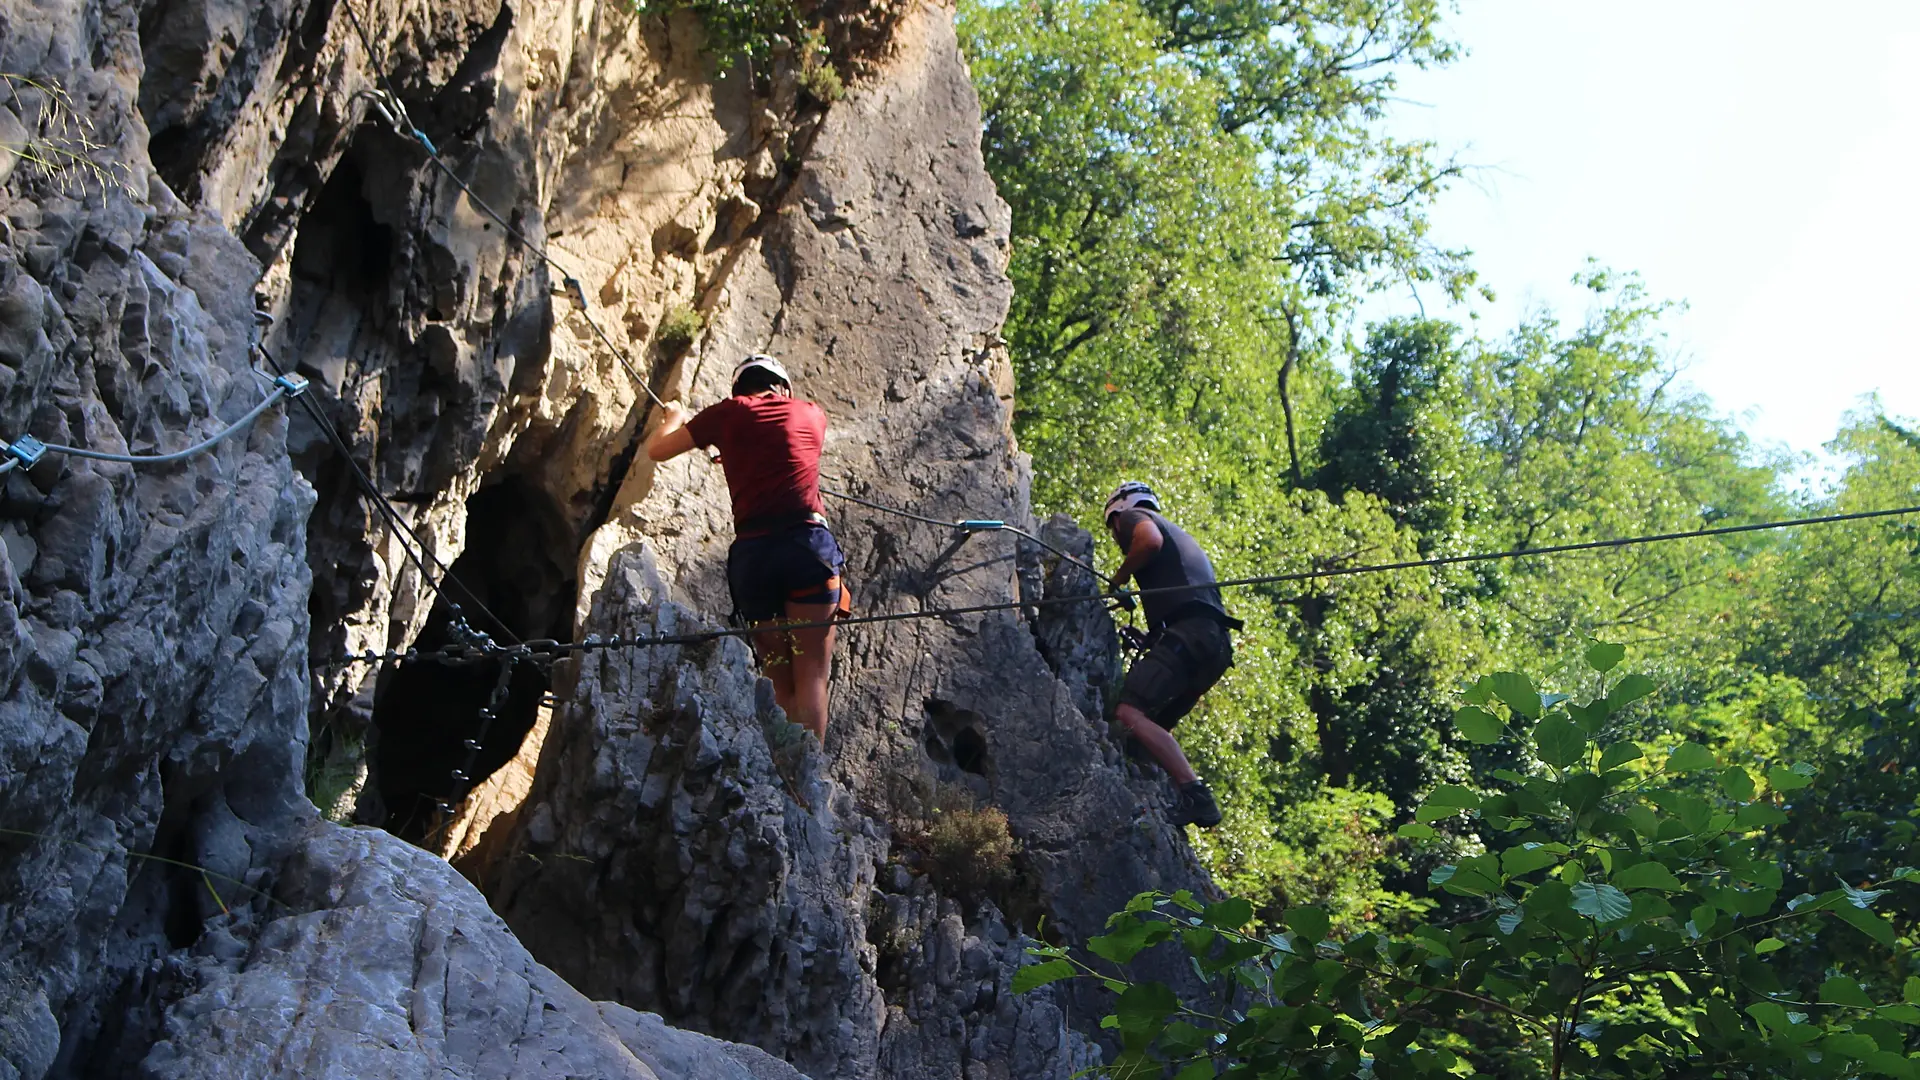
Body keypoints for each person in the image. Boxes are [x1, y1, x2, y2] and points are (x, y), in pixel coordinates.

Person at [645, 354, 843, 741]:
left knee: (779, 679)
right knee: (812, 679)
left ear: (739, 390)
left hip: (754, 563)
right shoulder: (811, 414)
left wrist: (673, 416)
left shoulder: (725, 415)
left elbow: (658, 450)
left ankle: (783, 770)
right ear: (784, 388)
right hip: (807, 553)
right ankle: (809, 782)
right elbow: (785, 451)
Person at [1104, 481, 1239, 828]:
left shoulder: (1136, 516)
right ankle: (1180, 798)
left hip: (1191, 636)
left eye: (1114, 533)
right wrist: (1153, 640)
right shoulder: (1181, 538)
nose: (1118, 541)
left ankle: (1196, 794)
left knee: (1127, 711)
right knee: (1146, 731)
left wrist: (1118, 579)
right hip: (1213, 646)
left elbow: (1148, 542)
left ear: (1117, 514)